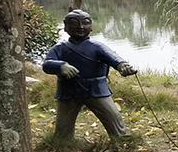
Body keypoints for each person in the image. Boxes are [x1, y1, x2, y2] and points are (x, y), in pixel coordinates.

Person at [41, 9, 138, 141]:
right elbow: (46, 64)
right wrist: (61, 66)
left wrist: (122, 65)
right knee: (63, 125)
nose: (80, 27)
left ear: (91, 26)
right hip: (69, 90)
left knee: (112, 116)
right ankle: (62, 143)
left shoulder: (97, 46)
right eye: (74, 23)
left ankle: (122, 141)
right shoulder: (60, 48)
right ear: (65, 25)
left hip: (96, 89)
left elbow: (113, 58)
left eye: (85, 23)